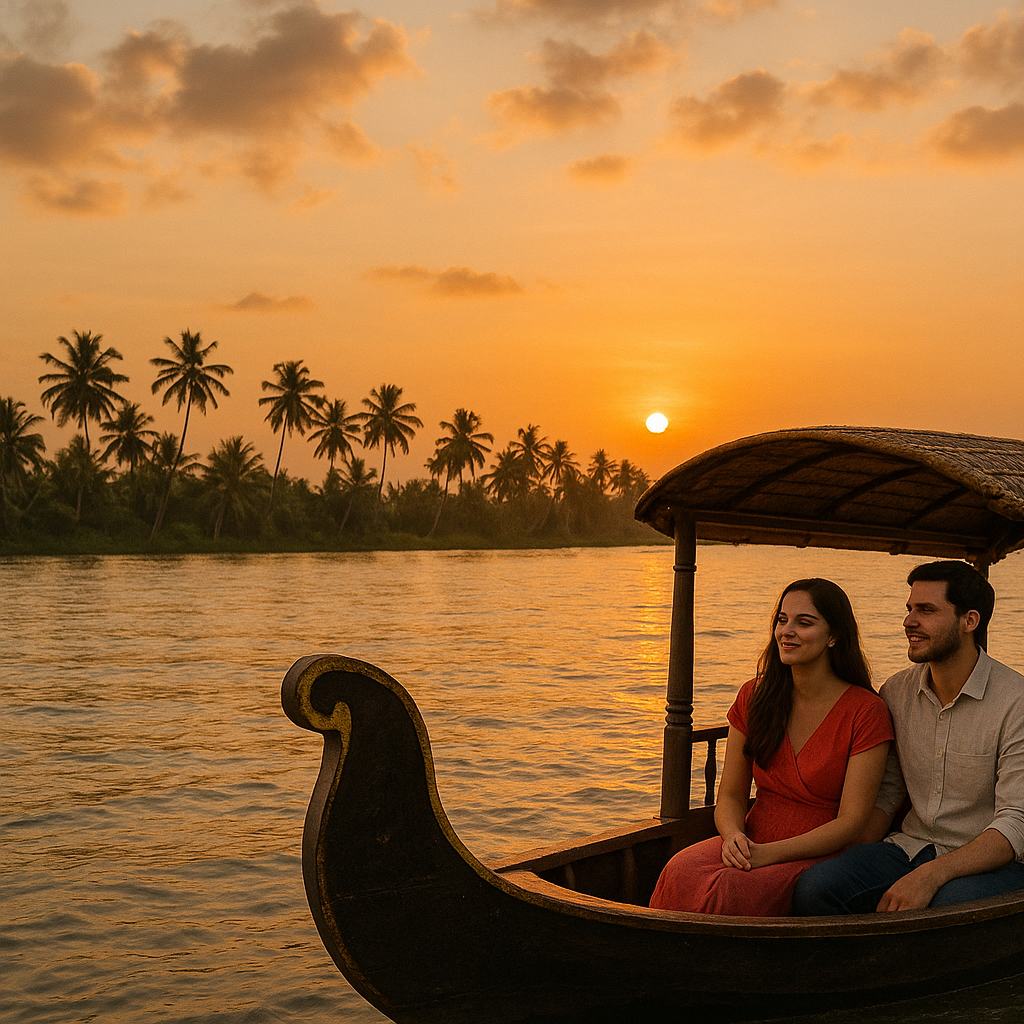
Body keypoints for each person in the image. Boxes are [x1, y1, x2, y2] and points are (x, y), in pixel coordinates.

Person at [649, 578, 893, 916]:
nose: (786, 631)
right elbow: (732, 795)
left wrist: (768, 854)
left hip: (819, 847)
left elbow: (850, 822)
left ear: (834, 636)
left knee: (731, 890)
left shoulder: (866, 711)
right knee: (680, 869)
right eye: (782, 620)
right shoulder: (755, 696)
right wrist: (733, 834)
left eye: (804, 622)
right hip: (753, 834)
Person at [792, 560, 1024, 915]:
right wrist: (843, 852)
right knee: (817, 886)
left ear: (969, 621)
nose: (909, 621)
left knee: (944, 907)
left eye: (926, 610)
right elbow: (888, 791)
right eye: (909, 609)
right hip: (909, 847)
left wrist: (931, 875)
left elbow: (1015, 822)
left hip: (994, 863)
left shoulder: (1015, 702)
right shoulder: (897, 692)